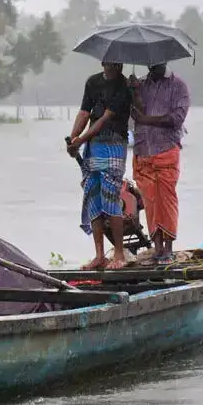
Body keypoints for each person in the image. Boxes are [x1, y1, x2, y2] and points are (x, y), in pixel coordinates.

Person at [67, 61, 132, 270]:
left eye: (119, 63)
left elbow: (104, 119)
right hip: (94, 147)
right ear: (103, 62)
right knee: (92, 196)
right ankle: (99, 255)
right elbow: (84, 113)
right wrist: (73, 138)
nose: (116, 66)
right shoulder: (93, 82)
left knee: (111, 197)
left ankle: (119, 254)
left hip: (113, 145)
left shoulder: (123, 86)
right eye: (112, 62)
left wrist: (81, 139)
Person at [130, 63, 190, 263]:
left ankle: (168, 249)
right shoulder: (141, 85)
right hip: (142, 151)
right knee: (150, 201)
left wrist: (146, 119)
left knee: (166, 199)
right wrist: (134, 93)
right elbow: (134, 115)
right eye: (150, 62)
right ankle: (157, 249)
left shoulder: (178, 86)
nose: (153, 65)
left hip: (166, 149)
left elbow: (177, 119)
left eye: (157, 61)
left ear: (165, 60)